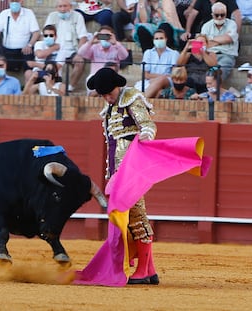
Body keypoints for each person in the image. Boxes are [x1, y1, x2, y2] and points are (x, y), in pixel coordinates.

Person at [87, 67, 159, 285]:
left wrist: (145, 139)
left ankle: (143, 271)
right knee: (128, 218)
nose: (107, 98)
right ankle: (149, 270)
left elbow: (148, 125)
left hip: (132, 168)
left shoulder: (131, 99)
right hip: (118, 171)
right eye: (104, 95)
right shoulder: (111, 107)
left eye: (109, 93)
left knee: (136, 215)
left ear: (117, 87)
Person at [45, 0, 88, 92]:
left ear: (70, 7)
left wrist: (79, 53)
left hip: (72, 49)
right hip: (55, 49)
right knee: (51, 66)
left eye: (65, 6)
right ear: (56, 8)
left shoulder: (77, 16)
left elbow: (83, 37)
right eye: (60, 6)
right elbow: (45, 34)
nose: (63, 9)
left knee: (80, 61)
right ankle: (51, 88)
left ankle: (69, 88)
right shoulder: (52, 16)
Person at [0, 0, 40, 81]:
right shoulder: (3, 14)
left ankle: (27, 92)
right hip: (7, 50)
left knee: (29, 71)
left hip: (25, 50)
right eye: (12, 0)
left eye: (17, 0)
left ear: (22, 1)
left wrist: (29, 45)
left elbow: (36, 33)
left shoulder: (29, 13)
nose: (14, 3)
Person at [134, 29, 179, 97]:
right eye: (156, 38)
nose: (159, 40)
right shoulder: (148, 53)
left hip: (167, 81)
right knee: (158, 92)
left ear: (166, 39)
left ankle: (142, 101)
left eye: (161, 38)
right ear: (153, 40)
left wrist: (158, 78)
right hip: (150, 81)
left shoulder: (174, 53)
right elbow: (146, 75)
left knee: (162, 79)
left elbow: (173, 75)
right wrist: (159, 78)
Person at [200, 2, 239, 80]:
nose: (220, 17)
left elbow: (228, 39)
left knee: (218, 74)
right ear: (212, 15)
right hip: (209, 55)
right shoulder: (206, 26)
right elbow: (202, 42)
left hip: (226, 55)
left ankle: (215, 88)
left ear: (226, 14)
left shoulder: (232, 24)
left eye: (222, 15)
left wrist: (209, 39)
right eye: (217, 15)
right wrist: (222, 39)